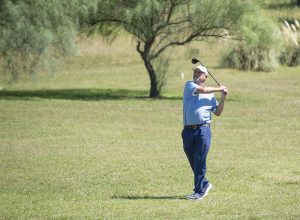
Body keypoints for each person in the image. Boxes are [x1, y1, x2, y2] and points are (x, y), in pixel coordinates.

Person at [182, 65, 228, 200]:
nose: (196, 73)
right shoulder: (190, 85)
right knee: (193, 161)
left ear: (205, 76)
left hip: (203, 130)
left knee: (200, 160)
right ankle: (205, 184)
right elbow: (203, 90)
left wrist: (223, 97)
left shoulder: (211, 95)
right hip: (188, 131)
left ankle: (199, 192)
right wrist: (220, 88)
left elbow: (217, 112)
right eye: (195, 71)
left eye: (199, 72)